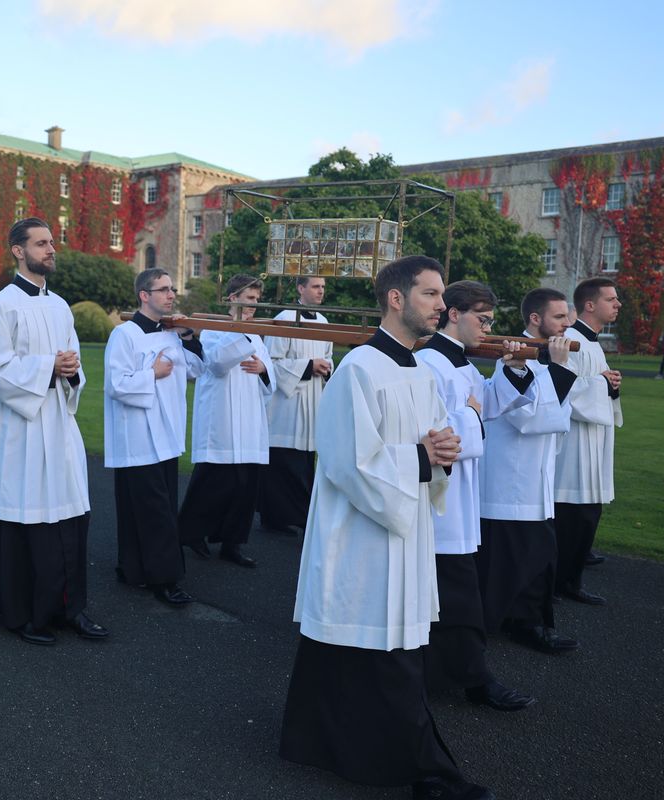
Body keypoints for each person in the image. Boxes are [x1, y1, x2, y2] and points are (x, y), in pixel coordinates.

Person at [280, 256, 493, 800]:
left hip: (403, 528)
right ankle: (427, 773)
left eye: (441, 295)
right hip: (361, 535)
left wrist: (440, 452)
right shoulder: (358, 369)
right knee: (380, 652)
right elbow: (347, 462)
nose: (441, 305)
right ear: (396, 299)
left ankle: (316, 741)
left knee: (368, 648)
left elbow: (429, 444)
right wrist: (422, 458)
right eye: (430, 294)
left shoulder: (419, 371)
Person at [0, 217, 108, 646]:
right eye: (41, 243)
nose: (51, 250)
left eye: (52, 243)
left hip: (57, 426)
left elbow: (73, 364)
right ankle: (27, 614)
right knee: (27, 519)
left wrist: (69, 371)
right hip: (19, 433)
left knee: (68, 515)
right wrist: (49, 367)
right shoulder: (1, 305)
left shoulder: (60, 306)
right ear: (18, 250)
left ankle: (72, 608)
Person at [414, 280, 536, 713]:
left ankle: (445, 672)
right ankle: (474, 677)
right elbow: (436, 430)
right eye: (482, 319)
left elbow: (490, 405)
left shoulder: (462, 366)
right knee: (457, 591)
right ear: (454, 314)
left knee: (453, 589)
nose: (487, 328)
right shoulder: (428, 362)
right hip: (439, 496)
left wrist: (514, 369)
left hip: (461, 496)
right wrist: (470, 414)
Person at [478, 288, 580, 655]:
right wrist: (558, 367)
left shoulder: (547, 359)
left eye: (567, 318)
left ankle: (527, 621)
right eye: (559, 318)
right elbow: (532, 419)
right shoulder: (513, 357)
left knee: (538, 554)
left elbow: (561, 416)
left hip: (537, 477)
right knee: (514, 556)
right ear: (535, 319)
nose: (567, 325)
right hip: (512, 479)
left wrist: (556, 368)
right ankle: (517, 624)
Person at [104, 268, 203, 605]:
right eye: (163, 290)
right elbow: (116, 384)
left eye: (172, 289)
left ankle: (133, 569)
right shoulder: (125, 335)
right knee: (152, 511)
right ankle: (166, 580)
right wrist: (152, 374)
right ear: (144, 295)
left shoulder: (171, 334)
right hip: (138, 437)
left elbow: (195, 370)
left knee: (149, 508)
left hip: (166, 433)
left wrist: (191, 338)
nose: (171, 295)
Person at [178, 274, 275, 568]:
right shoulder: (215, 330)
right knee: (213, 482)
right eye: (248, 299)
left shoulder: (257, 335)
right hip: (221, 419)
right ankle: (192, 533)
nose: (253, 305)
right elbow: (217, 364)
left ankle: (232, 543)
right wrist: (241, 335)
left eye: (256, 301)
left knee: (245, 486)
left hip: (249, 421)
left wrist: (262, 369)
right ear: (232, 298)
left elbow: (271, 378)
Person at [553, 277, 623, 605]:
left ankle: (572, 576)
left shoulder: (592, 342)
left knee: (588, 513)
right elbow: (563, 391)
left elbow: (592, 384)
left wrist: (610, 384)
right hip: (574, 444)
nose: (618, 304)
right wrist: (602, 385)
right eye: (611, 299)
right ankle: (561, 581)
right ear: (590, 305)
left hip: (593, 440)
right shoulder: (568, 339)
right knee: (571, 516)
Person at [258, 275, 331, 535]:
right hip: (287, 404)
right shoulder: (285, 318)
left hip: (312, 399)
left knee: (304, 462)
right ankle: (276, 517)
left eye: (323, 286)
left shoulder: (324, 322)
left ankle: (298, 514)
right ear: (300, 288)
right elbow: (271, 362)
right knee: (284, 463)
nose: (320, 291)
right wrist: (308, 366)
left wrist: (324, 367)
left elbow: (329, 356)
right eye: (315, 286)